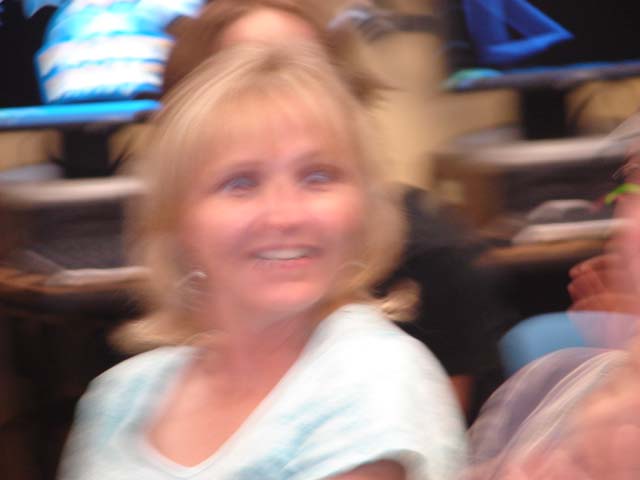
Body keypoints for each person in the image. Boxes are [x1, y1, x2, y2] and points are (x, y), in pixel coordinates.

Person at [57, 44, 467, 480]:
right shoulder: (118, 399)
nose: (285, 215)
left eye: (317, 177)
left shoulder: (376, 378)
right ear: (177, 224)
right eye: (241, 183)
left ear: (362, 208)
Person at [161, 0, 506, 418]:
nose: (284, 214)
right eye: (240, 184)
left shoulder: (428, 261)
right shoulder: (133, 392)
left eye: (305, 72)